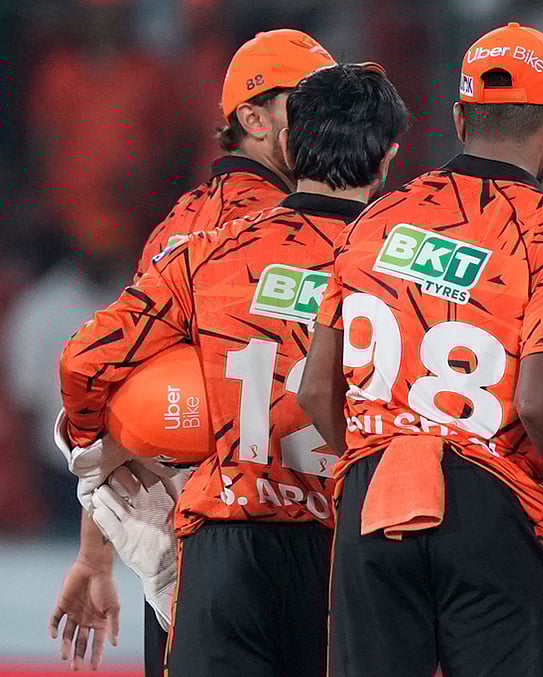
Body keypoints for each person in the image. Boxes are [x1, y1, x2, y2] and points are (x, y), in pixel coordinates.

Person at [297, 22, 543, 677]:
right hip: (491, 500)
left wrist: (377, 455)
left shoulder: (375, 219)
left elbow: (314, 389)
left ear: (459, 118)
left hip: (373, 496)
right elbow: (540, 401)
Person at [57, 62, 409, 677]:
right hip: (347, 541)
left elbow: (84, 363)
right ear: (386, 159)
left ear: (290, 144)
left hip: (225, 540)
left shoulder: (206, 252)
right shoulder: (398, 269)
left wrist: (97, 466)